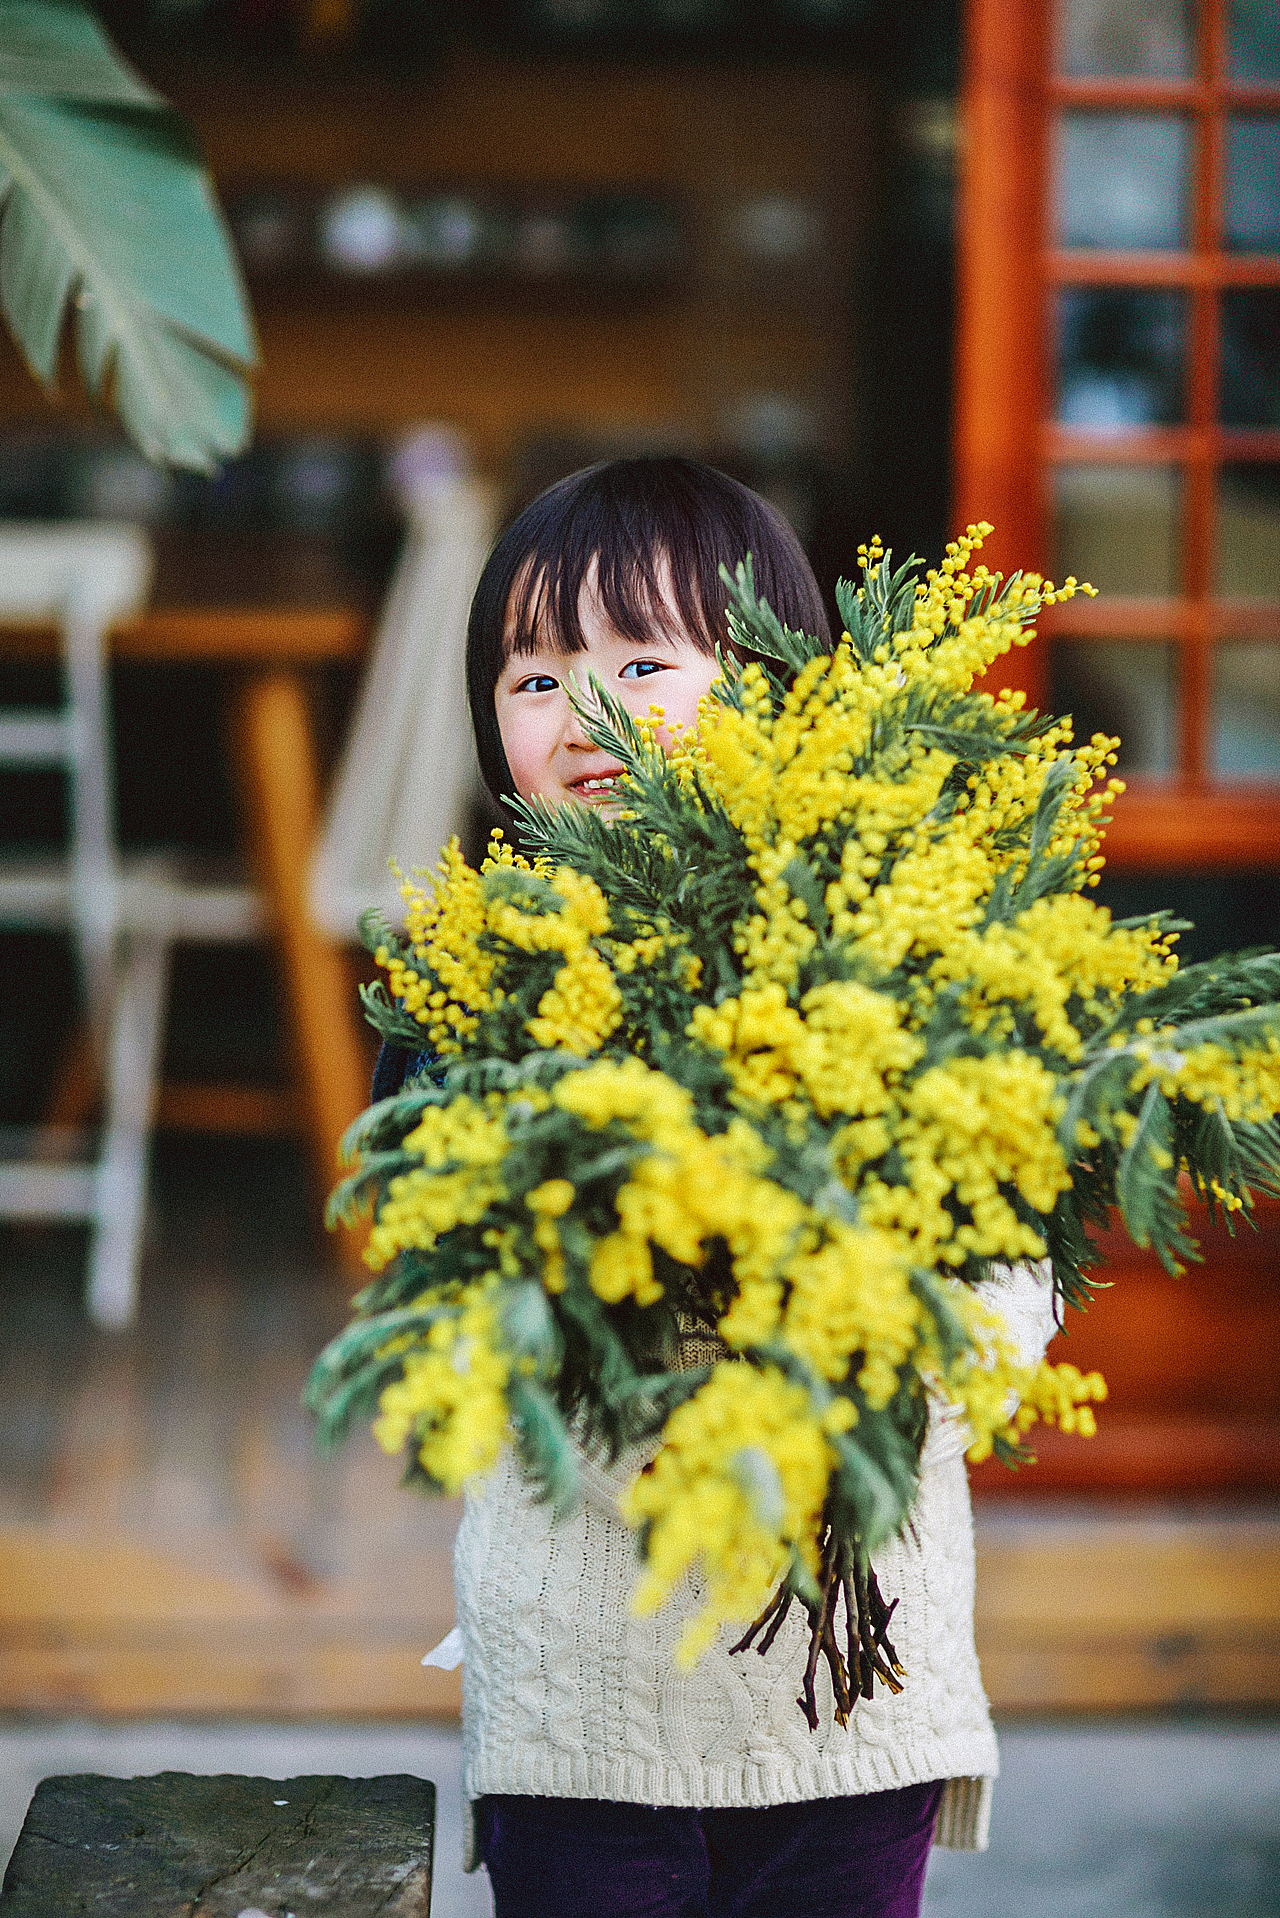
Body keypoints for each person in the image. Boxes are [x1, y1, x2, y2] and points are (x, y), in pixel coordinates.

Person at [372, 456, 1058, 1918]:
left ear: (771, 685)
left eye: (640, 658)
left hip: (851, 1710)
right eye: (533, 675)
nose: (585, 712)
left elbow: (1004, 1297)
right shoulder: (467, 1002)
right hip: (582, 1706)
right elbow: (483, 1327)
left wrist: (842, 1404)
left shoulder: (909, 962)